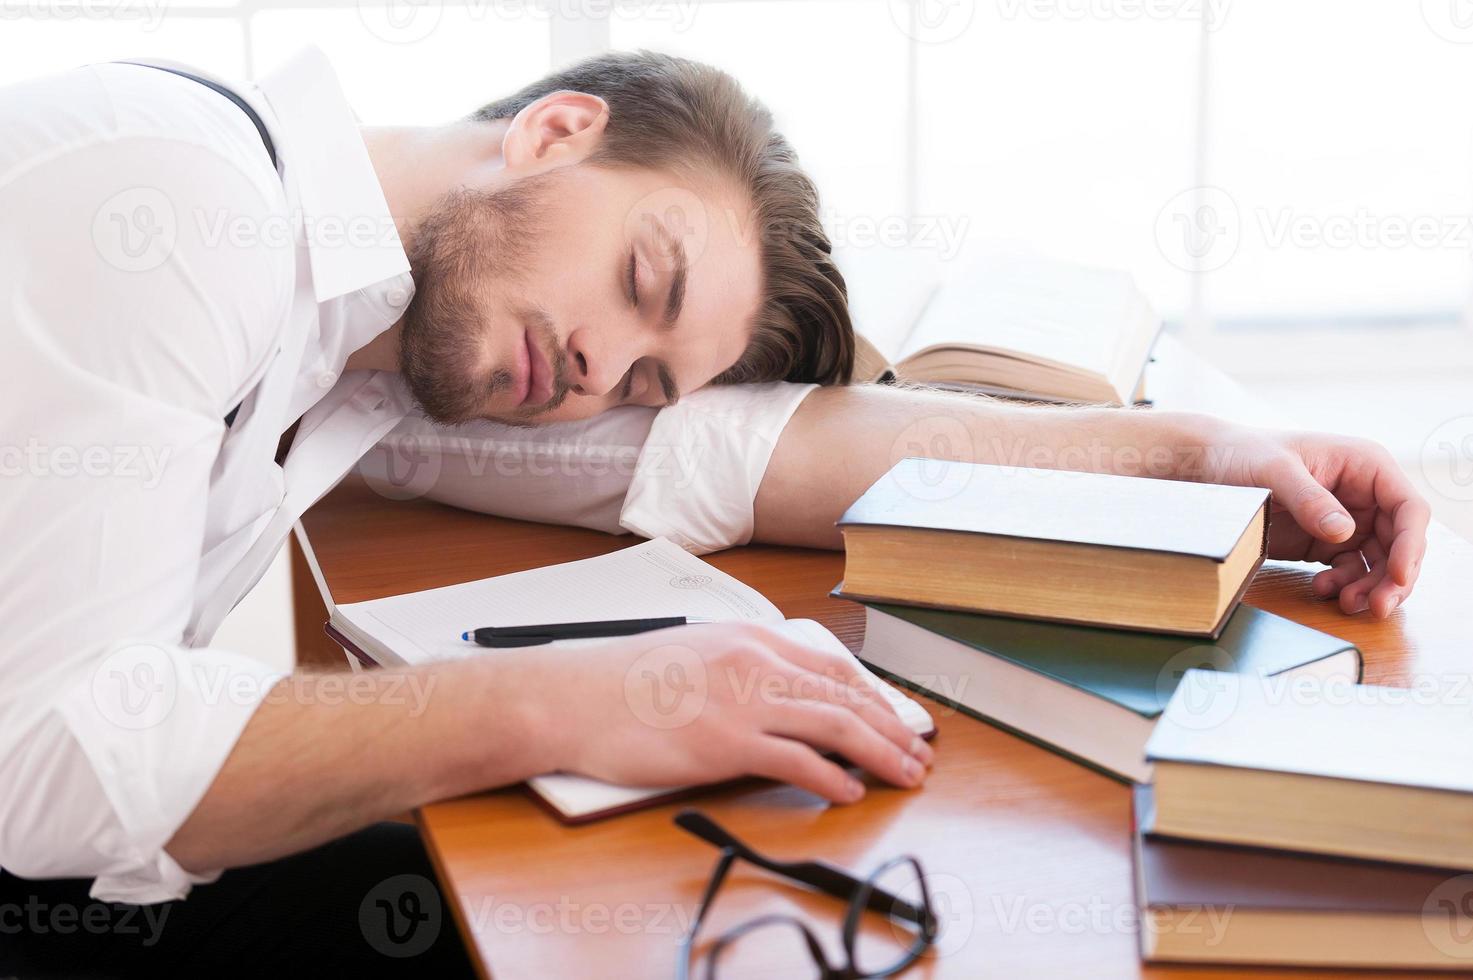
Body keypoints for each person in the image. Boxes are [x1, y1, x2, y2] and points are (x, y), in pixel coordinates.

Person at [0, 45, 1427, 976]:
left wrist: (1194, 459)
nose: (597, 381)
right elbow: (44, 769)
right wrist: (573, 703)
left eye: (643, 369)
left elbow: (736, 458)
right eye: (646, 283)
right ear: (556, 132)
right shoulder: (180, 208)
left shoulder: (378, 352)